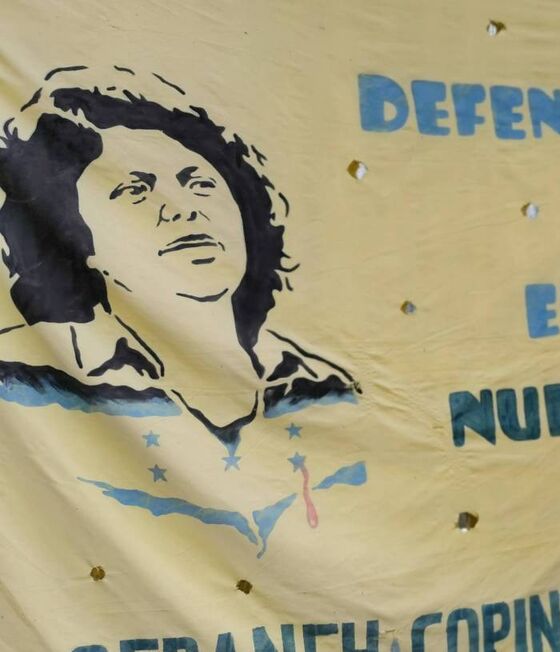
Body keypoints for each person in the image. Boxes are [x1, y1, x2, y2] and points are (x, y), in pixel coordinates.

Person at [0, 66, 359, 446]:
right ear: (74, 237)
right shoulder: (26, 375)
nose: (182, 209)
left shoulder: (318, 382)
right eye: (135, 191)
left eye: (199, 184)